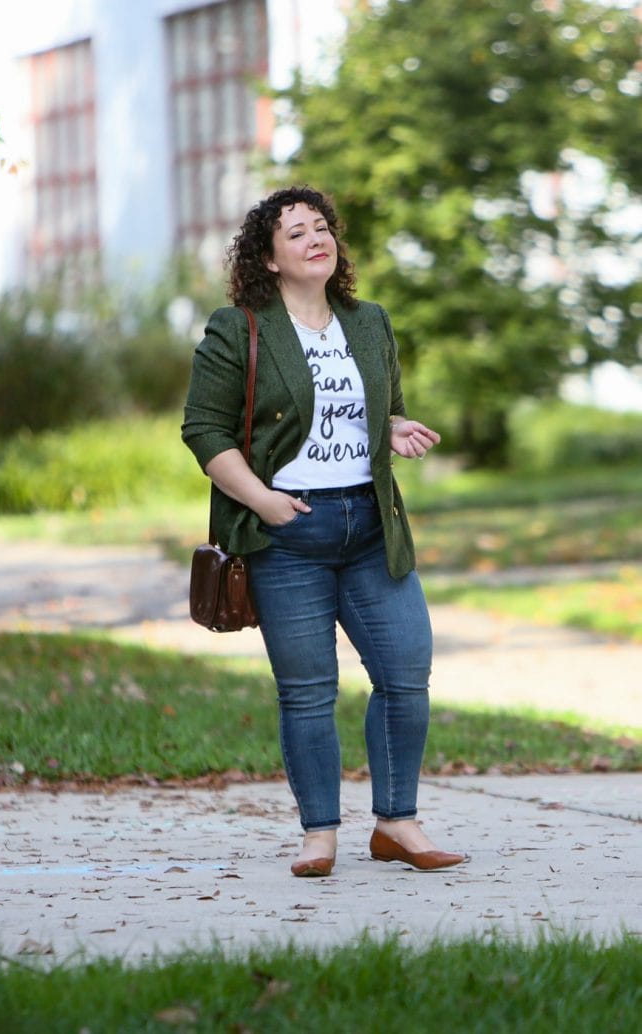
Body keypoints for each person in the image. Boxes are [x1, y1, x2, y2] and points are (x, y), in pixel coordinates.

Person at [182, 185, 468, 877]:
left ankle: (398, 823)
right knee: (307, 690)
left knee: (405, 673)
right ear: (270, 259)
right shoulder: (239, 327)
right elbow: (204, 430)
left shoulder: (367, 323)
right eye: (295, 233)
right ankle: (319, 835)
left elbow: (383, 410)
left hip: (370, 527)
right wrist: (265, 500)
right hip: (288, 535)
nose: (315, 239)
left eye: (321, 228)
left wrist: (394, 429)